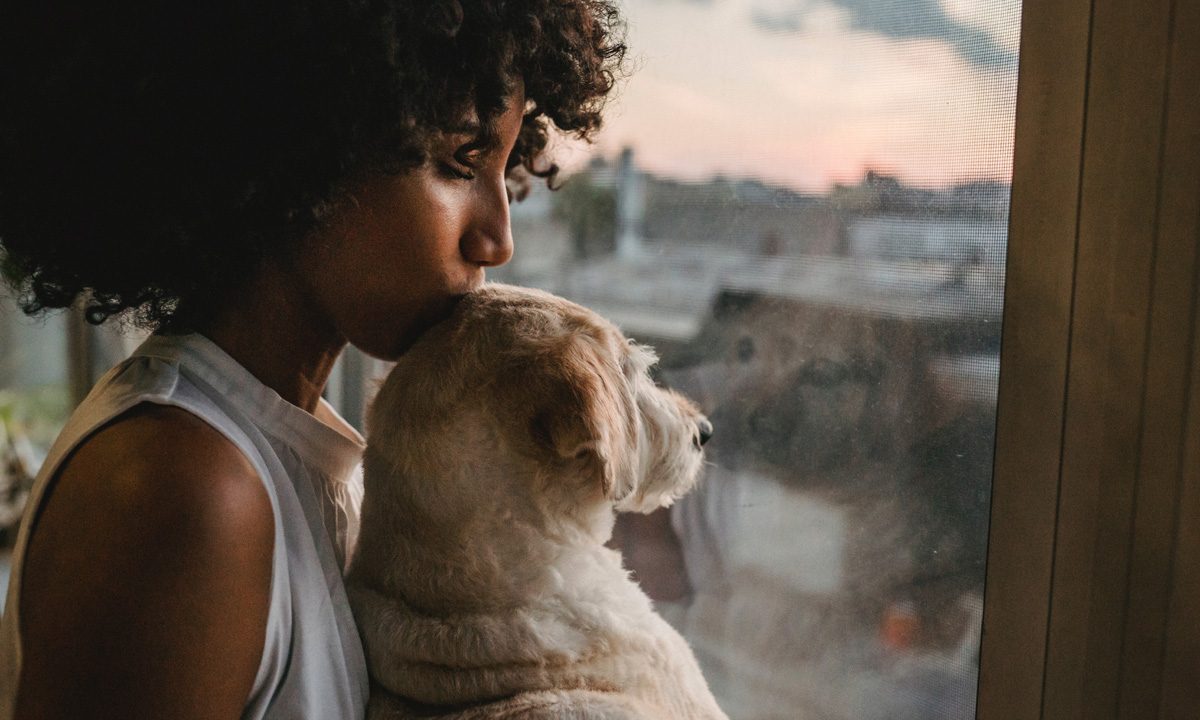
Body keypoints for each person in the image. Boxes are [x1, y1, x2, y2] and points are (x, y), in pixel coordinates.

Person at [0, 1, 625, 718]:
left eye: (504, 167)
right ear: (302, 144)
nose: (497, 239)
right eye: (460, 162)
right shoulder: (186, 492)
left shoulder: (300, 450)